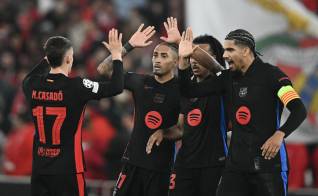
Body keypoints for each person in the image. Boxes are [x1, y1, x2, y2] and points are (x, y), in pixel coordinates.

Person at [178, 28, 307, 196]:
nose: (224, 55)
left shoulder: (273, 76)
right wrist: (183, 62)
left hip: (268, 166)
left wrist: (280, 134)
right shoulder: (227, 79)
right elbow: (189, 91)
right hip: (236, 167)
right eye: (224, 50)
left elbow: (299, 109)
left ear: (246, 50)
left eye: (230, 50)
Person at [22, 29, 124, 196]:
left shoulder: (31, 84)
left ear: (47, 58)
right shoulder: (77, 86)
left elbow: (29, 76)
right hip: (68, 169)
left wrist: (49, 56)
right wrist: (117, 55)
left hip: (40, 169)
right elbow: (116, 87)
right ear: (69, 58)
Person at [98, 22, 181, 196]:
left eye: (164, 56)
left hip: (160, 168)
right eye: (155, 55)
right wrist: (128, 47)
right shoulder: (142, 82)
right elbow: (104, 69)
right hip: (133, 161)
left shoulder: (181, 89)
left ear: (175, 62)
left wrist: (164, 133)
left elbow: (183, 128)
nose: (157, 59)